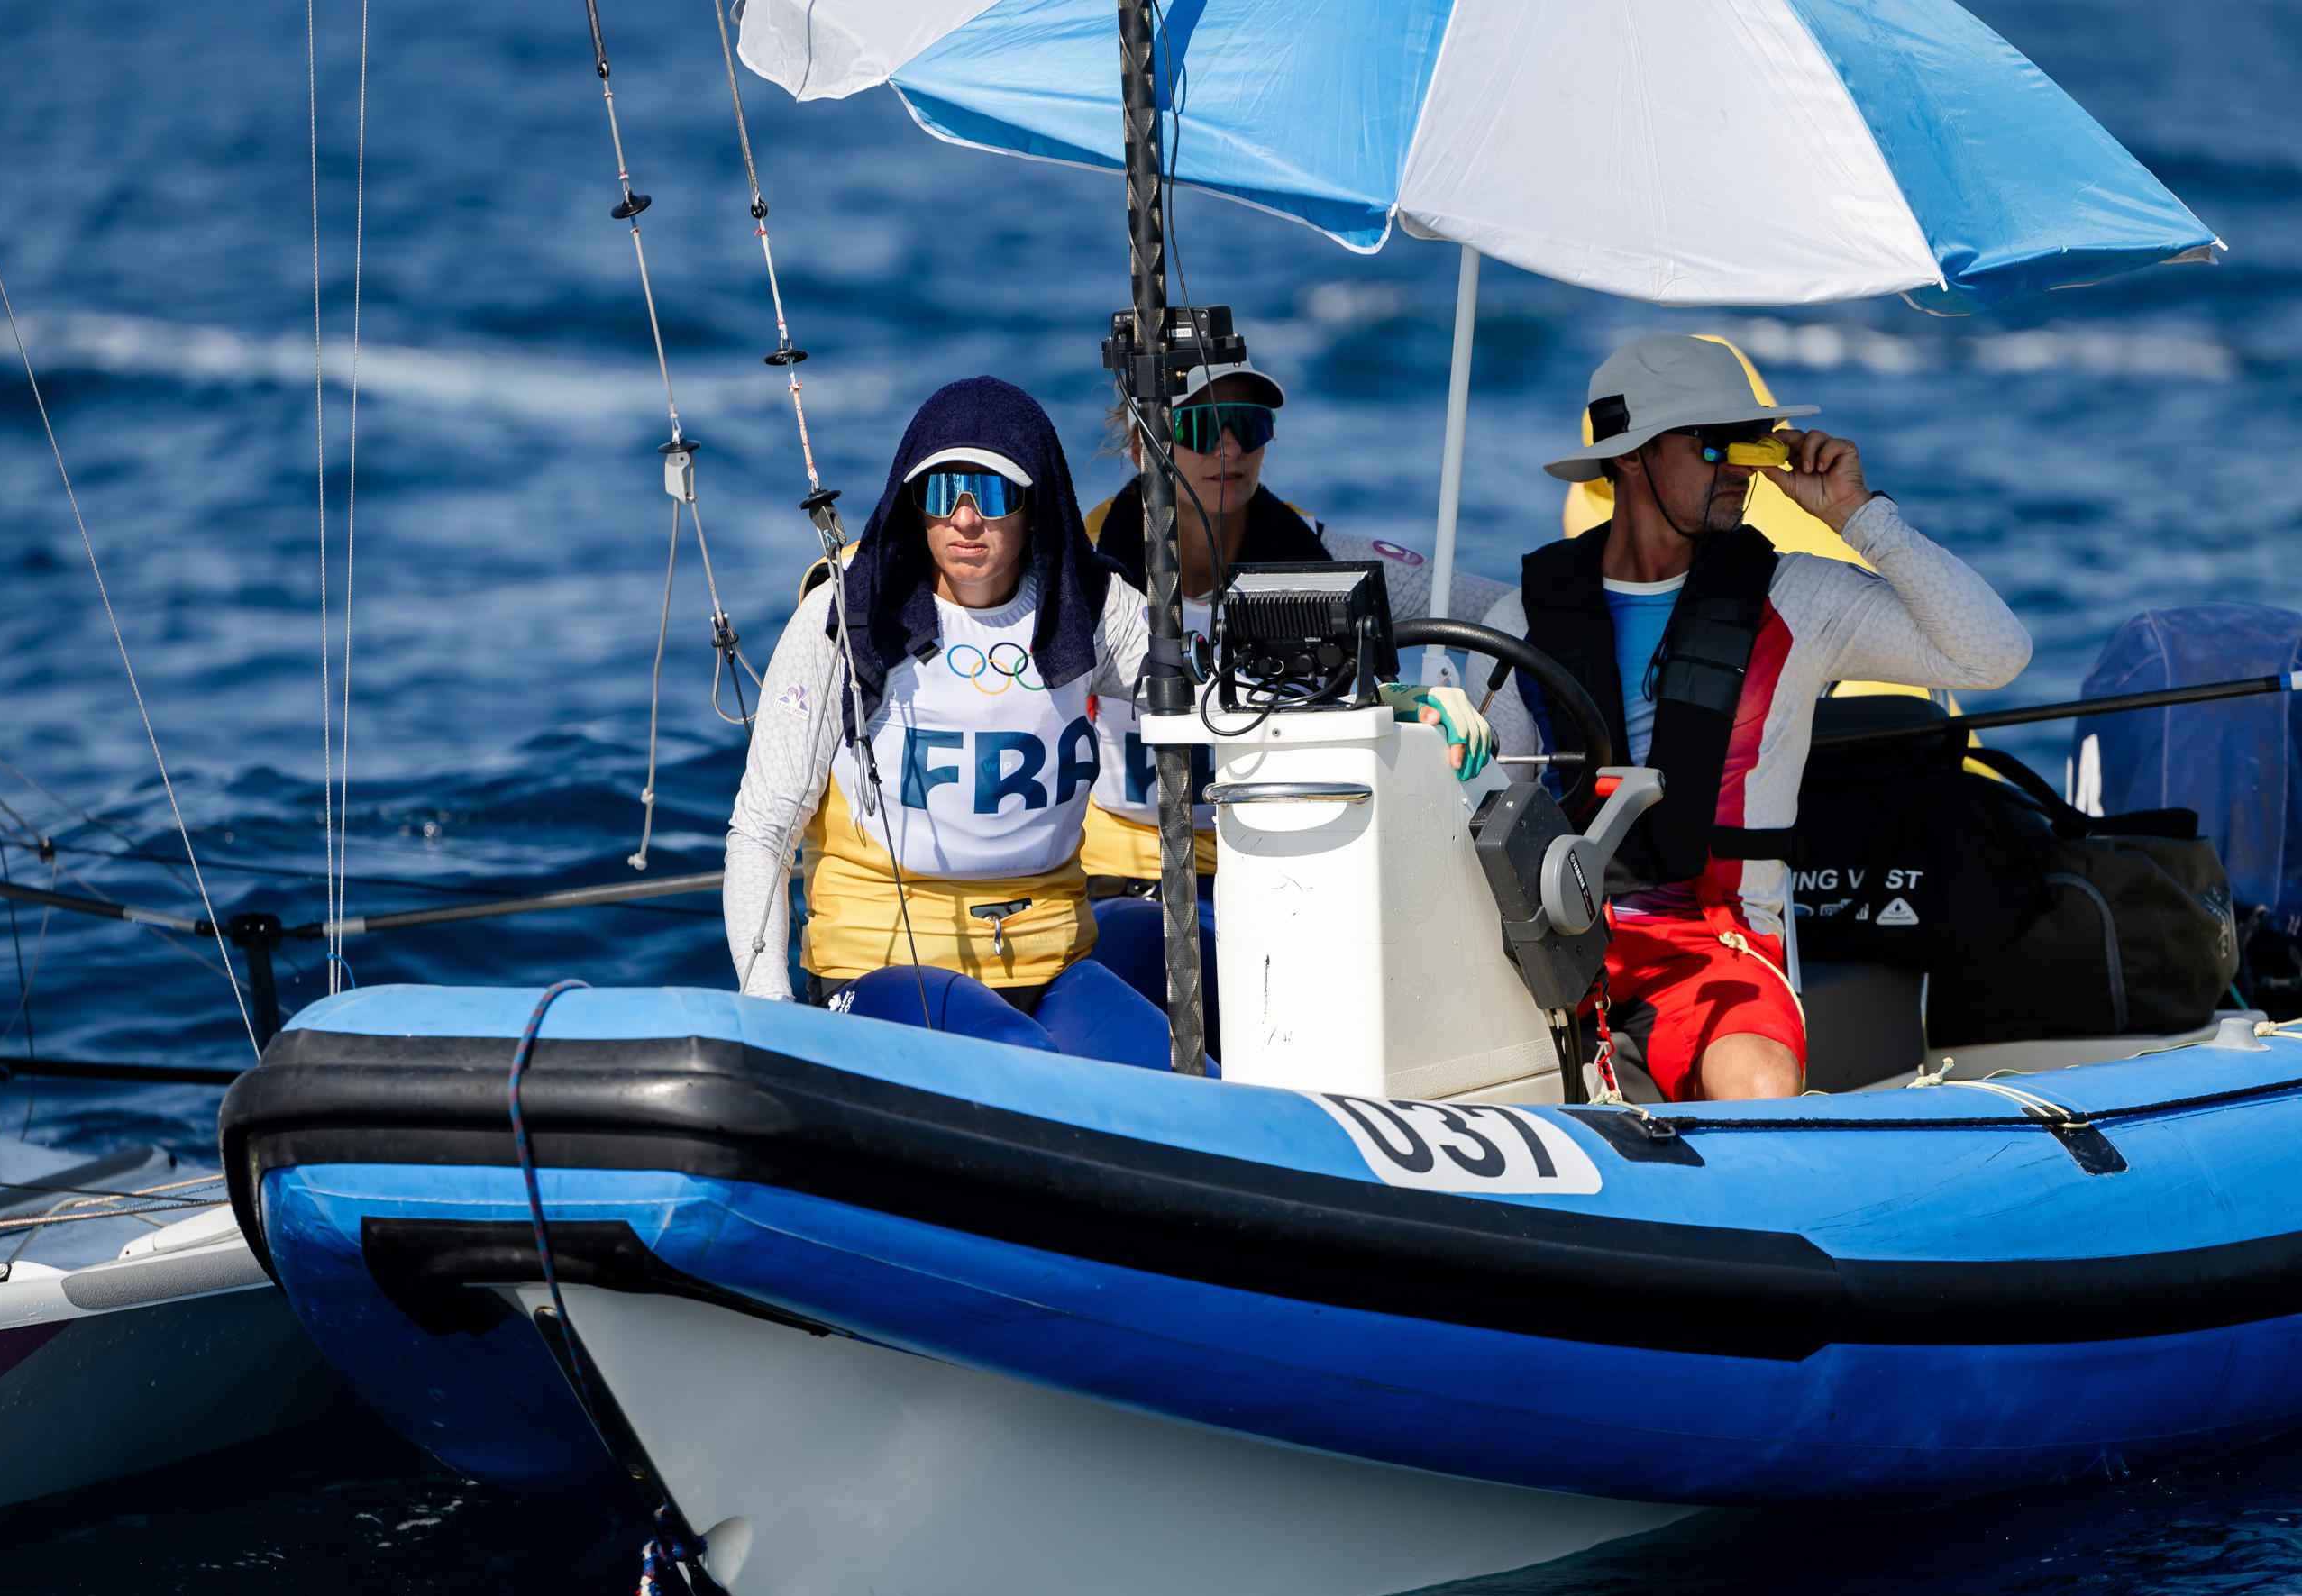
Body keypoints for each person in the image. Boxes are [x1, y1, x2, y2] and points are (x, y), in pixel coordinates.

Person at [1468, 333, 2030, 1103]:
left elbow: (1993, 654)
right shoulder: (1518, 620)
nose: (1743, 463)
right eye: (1714, 443)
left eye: (1749, 440)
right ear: (1632, 456)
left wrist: (1856, 515)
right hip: (1560, 944)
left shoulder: (1798, 599)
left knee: (1757, 1083)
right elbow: (1488, 821)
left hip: (1717, 948)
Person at [723, 376, 1180, 1068]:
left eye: (993, 493)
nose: (965, 520)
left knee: (1176, 1069)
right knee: (1013, 1054)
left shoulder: (1093, 603)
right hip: (877, 972)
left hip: (1054, 966)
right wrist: (771, 1011)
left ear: (1035, 505)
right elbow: (761, 829)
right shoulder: (848, 614)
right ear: (914, 503)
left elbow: (1211, 718)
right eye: (942, 493)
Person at [1080, 351, 1509, 898]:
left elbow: (1512, 612)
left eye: (1248, 425)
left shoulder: (1320, 553)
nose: (1229, 447)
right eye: (1202, 425)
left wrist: (1424, 699)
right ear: (1145, 445)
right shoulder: (1081, 564)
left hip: (1276, 865)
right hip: (1115, 874)